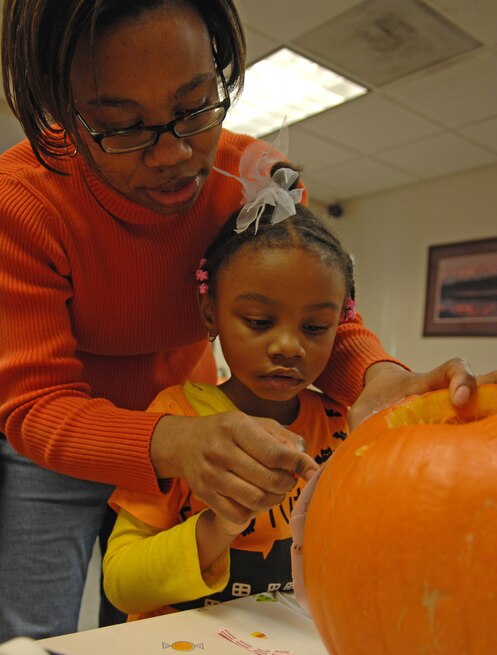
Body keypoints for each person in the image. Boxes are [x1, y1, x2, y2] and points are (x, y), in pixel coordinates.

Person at [0, 0, 497, 642]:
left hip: (194, 418)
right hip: (67, 441)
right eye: (122, 126)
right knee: (31, 642)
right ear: (61, 113)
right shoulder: (21, 203)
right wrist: (177, 442)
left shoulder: (253, 181)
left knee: (143, 615)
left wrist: (379, 381)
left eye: (195, 106)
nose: (175, 154)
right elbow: (36, 405)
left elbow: (312, 305)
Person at [103, 165, 355, 618]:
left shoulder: (343, 422)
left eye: (315, 327)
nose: (288, 347)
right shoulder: (175, 418)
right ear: (210, 314)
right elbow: (121, 584)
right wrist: (222, 526)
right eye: (259, 321)